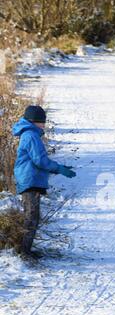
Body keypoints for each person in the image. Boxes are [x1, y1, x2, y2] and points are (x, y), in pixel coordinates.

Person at [13, 105, 76, 258]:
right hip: (30, 179)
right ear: (33, 121)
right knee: (32, 216)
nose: (43, 125)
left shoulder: (30, 134)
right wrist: (58, 168)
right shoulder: (30, 135)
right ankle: (24, 251)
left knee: (33, 215)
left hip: (30, 178)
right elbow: (39, 160)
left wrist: (57, 167)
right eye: (41, 122)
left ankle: (25, 250)